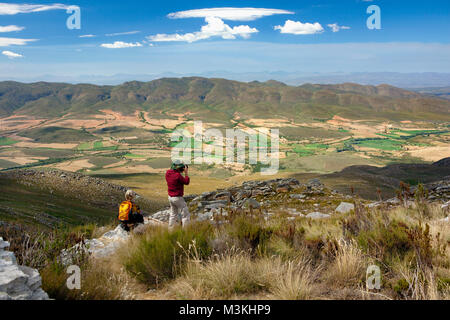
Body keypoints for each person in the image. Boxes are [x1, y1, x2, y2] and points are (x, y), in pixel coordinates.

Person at [165, 161, 190, 228]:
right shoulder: (178, 175)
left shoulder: (168, 173)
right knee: (185, 214)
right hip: (177, 197)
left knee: (173, 214)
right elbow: (186, 182)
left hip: (170, 197)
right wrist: (186, 173)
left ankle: (170, 230)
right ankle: (186, 230)